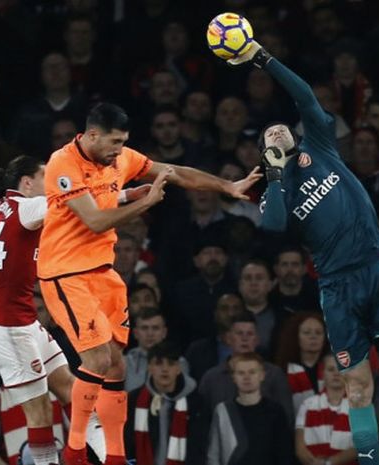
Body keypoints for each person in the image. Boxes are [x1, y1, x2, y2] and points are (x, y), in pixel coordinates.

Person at [225, 39, 379, 465]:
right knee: (358, 388)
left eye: (280, 127)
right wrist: (275, 173)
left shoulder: (319, 145)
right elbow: (275, 226)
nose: (276, 129)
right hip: (337, 287)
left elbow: (304, 96)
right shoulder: (276, 192)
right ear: (265, 152)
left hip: (376, 269)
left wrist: (264, 59)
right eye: (267, 135)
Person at [36, 102, 261, 465]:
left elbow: (175, 173)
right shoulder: (63, 164)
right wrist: (146, 202)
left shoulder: (120, 158)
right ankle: (75, 449)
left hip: (102, 270)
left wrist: (226, 185)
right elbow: (94, 221)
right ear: (92, 135)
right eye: (113, 142)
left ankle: (114, 455)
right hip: (66, 272)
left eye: (123, 142)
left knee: (117, 367)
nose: (119, 150)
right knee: (96, 357)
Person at [0, 156, 74, 465]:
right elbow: (69, 203)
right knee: (40, 411)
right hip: (7, 326)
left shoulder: (5, 204)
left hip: (22, 319)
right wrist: (116, 191)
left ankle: (101, 455)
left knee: (70, 388)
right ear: (27, 182)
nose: (50, 182)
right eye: (45, 175)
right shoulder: (27, 207)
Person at [124, 342, 209, 465]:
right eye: (158, 363)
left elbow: (200, 446)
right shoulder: (134, 400)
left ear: (179, 368)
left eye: (171, 364)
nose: (165, 369)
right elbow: (128, 443)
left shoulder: (196, 402)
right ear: (149, 367)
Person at [208, 352, 293, 465]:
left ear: (262, 375)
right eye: (241, 373)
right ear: (234, 377)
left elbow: (284, 454)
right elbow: (213, 454)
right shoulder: (223, 410)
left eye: (252, 372)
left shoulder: (276, 411)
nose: (246, 377)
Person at [295, 352, 356, 465]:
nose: (336, 373)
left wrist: (328, 463)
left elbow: (360, 445)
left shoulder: (358, 406)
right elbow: (300, 449)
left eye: (340, 369)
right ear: (322, 373)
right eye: (331, 369)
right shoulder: (307, 405)